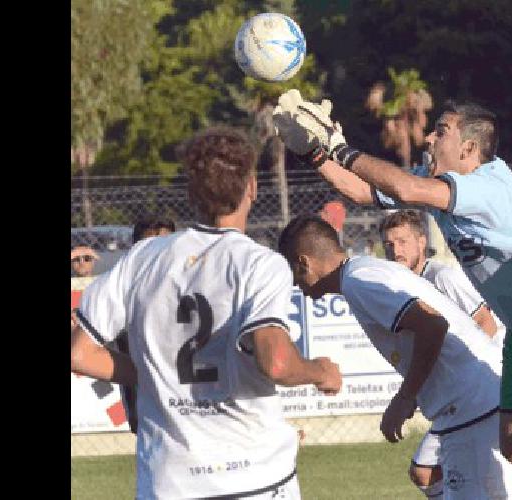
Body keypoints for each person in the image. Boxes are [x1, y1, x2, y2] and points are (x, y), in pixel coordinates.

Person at [271, 91, 512, 493]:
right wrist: (316, 155)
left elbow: (406, 191)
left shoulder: (486, 183)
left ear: (469, 148)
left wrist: (340, 146)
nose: (427, 138)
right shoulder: (443, 191)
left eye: (441, 131)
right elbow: (363, 193)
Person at [70, 126, 342, 499]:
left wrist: (153, 373)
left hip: (170, 482)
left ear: (191, 193)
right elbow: (276, 363)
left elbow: (79, 354)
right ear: (252, 187)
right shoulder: (259, 265)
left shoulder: (142, 259)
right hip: (255, 480)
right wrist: (319, 371)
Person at [278, 215, 512, 500]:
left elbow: (432, 325)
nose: (296, 284)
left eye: (293, 273)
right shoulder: (364, 272)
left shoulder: (360, 281)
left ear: (303, 262)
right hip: (478, 398)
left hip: (471, 404)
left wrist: (405, 397)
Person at [380, 209, 512, 500]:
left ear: (421, 242)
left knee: (505, 473)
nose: (395, 250)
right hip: (463, 397)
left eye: (402, 242)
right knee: (436, 472)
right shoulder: (402, 284)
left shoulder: (442, 277)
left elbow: (486, 323)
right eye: (389, 244)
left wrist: (472, 376)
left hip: (488, 386)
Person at [113, 214, 180, 435]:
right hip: (148, 408)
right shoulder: (119, 291)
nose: (159, 254)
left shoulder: (195, 285)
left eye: (166, 244)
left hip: (196, 405)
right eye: (150, 246)